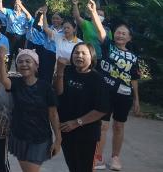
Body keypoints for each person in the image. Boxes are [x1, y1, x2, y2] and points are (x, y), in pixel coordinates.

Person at [0, 48, 61, 172]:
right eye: (20, 62)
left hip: (39, 138)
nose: (24, 64)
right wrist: (1, 57)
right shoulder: (16, 83)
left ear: (36, 66)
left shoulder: (46, 87)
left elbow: (53, 114)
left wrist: (58, 138)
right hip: (19, 136)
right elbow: (3, 79)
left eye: (28, 61)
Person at [54, 42, 109, 172]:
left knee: (84, 168)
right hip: (66, 130)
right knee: (73, 166)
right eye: (76, 52)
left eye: (84, 53)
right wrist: (60, 72)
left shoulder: (97, 79)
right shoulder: (67, 71)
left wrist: (77, 122)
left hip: (87, 134)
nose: (79, 56)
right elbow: (58, 93)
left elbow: (102, 109)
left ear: (92, 57)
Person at [95, 21, 140, 170]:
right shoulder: (108, 46)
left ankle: (115, 157)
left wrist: (136, 100)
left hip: (124, 96)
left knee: (119, 126)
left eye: (123, 33)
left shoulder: (133, 57)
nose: (120, 35)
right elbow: (100, 30)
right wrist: (93, 13)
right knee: (103, 125)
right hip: (105, 93)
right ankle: (98, 157)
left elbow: (134, 79)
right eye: (118, 32)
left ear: (129, 38)